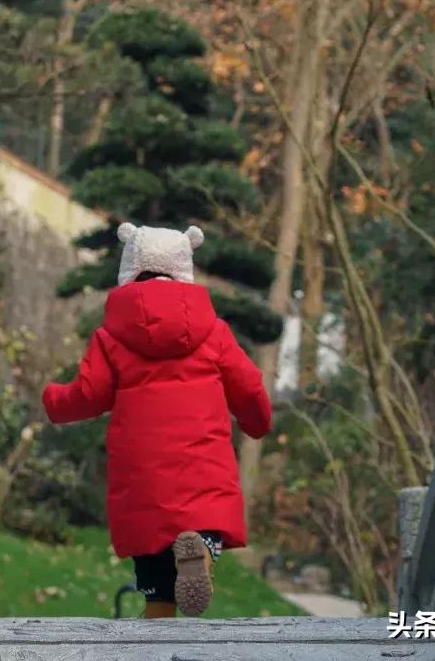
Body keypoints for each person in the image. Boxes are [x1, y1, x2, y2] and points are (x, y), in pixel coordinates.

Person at [42, 223, 272, 619]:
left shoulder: (110, 337)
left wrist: (53, 400)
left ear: (130, 267)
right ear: (183, 267)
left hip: (142, 475)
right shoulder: (214, 332)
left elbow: (88, 394)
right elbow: (249, 387)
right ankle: (199, 548)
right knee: (201, 524)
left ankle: (157, 622)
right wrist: (258, 422)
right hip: (203, 467)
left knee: (156, 587)